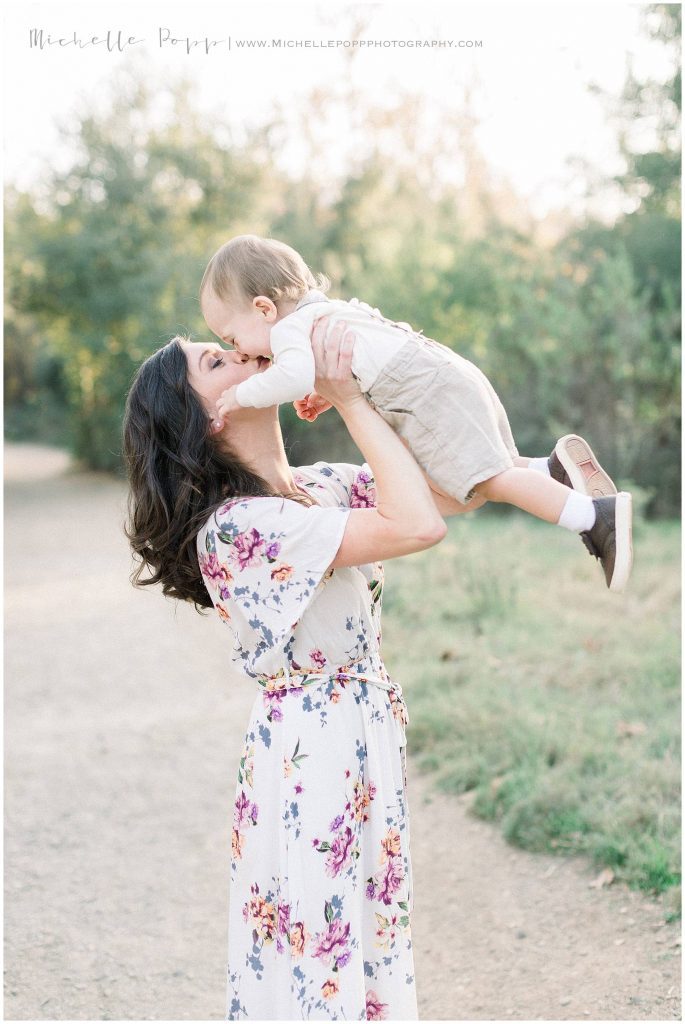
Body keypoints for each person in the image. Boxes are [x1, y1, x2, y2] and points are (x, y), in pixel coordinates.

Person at [123, 315, 468, 1020]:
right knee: (320, 953)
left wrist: (372, 368)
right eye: (217, 362)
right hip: (313, 748)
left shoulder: (314, 488)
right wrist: (345, 398)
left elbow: (452, 491)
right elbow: (417, 528)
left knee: (366, 935)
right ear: (211, 418)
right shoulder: (238, 527)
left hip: (360, 731)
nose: (247, 351)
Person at [199, 234, 633, 593]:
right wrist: (328, 395)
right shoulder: (323, 312)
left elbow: (291, 378)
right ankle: (551, 469)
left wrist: (242, 396)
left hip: (421, 391)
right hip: (441, 372)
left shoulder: (290, 329)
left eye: (232, 337)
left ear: (264, 309)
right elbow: (354, 362)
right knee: (474, 467)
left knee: (487, 479)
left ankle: (596, 518)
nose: (238, 351)